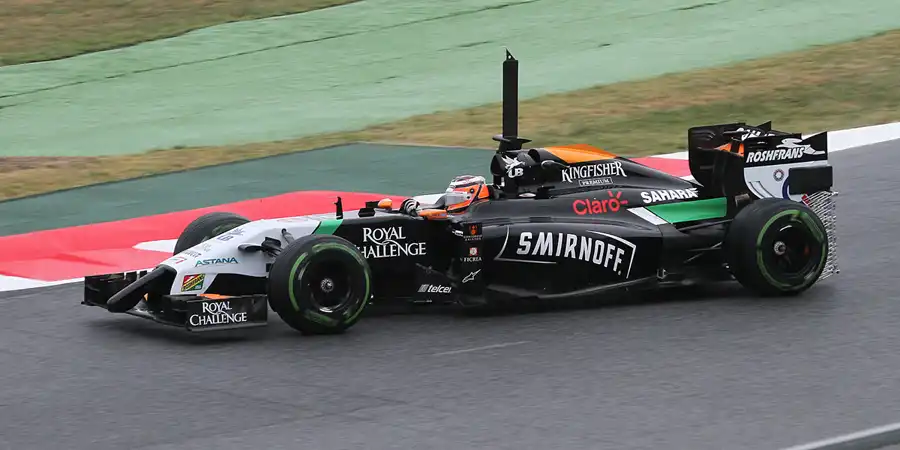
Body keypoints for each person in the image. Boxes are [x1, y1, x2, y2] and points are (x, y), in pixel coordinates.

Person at [400, 175, 492, 216]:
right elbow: (435, 208)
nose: (449, 200)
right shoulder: (444, 205)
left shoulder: (476, 215)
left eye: (453, 197)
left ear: (468, 197)